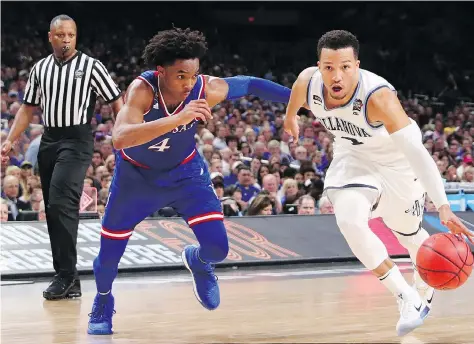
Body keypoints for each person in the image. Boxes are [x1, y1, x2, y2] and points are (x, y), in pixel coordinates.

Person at [87, 27, 291, 335]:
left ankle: (197, 261)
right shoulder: (142, 89)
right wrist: (179, 119)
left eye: (193, 75)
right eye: (181, 75)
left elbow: (249, 84)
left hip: (185, 174)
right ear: (161, 72)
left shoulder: (204, 88)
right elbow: (119, 138)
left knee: (218, 249)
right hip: (136, 178)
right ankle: (103, 299)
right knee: (108, 259)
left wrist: (297, 101)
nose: (189, 83)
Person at [283, 30, 474, 337]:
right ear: (319, 67)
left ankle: (423, 292)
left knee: (412, 239)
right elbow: (297, 90)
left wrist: (443, 207)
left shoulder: (379, 98)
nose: (337, 75)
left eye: (345, 66)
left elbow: (418, 154)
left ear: (357, 65)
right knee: (349, 220)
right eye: (329, 67)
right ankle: (405, 295)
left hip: (397, 163)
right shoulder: (309, 81)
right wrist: (291, 116)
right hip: (352, 156)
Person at [1, 15, 123, 300]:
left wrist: (123, 136)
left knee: (60, 202)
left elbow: (118, 102)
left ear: (75, 37)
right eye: (60, 35)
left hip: (78, 139)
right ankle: (69, 277)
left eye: (70, 34)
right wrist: (10, 139)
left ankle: (66, 275)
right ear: (50, 37)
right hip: (49, 139)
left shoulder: (92, 66)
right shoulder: (40, 68)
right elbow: (27, 109)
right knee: (54, 208)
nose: (66, 39)